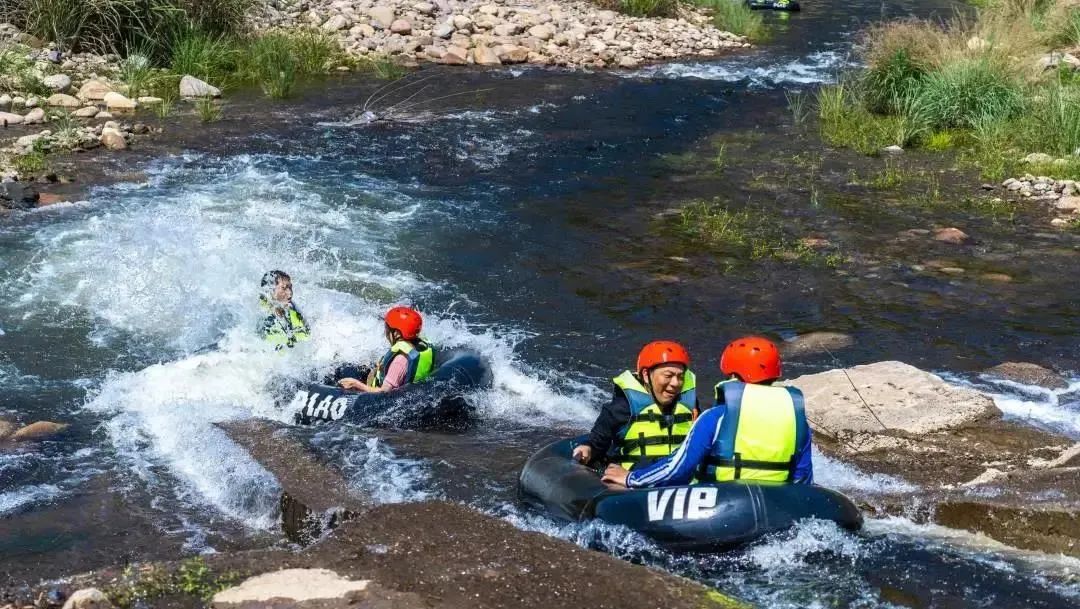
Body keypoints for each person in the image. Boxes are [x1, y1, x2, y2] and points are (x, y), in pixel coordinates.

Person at [602, 336, 813, 488]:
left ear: (733, 375)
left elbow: (679, 467)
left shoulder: (717, 417)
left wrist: (631, 478)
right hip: (775, 503)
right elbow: (802, 478)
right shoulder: (796, 419)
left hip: (720, 504)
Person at [572, 341, 699, 470]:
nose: (675, 383)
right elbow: (595, 444)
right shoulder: (621, 408)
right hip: (633, 483)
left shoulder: (691, 406)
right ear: (645, 375)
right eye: (668, 376)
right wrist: (586, 449)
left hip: (682, 480)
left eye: (680, 376)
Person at [334, 306, 435, 393]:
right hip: (405, 385)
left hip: (375, 396)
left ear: (396, 334)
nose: (385, 332)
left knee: (343, 371)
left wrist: (356, 384)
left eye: (387, 328)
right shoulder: (420, 344)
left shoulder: (400, 361)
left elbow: (384, 392)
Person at [259, 270, 310, 350]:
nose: (290, 292)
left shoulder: (292, 308)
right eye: (284, 288)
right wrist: (273, 308)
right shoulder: (259, 308)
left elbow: (307, 333)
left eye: (290, 287)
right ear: (270, 290)